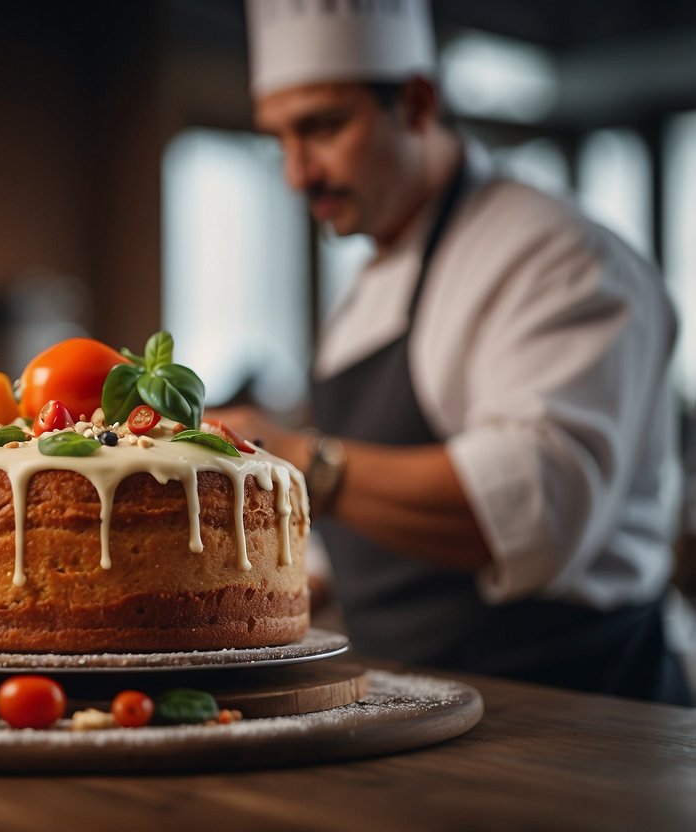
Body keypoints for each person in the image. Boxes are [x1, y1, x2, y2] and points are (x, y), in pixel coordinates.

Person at [215, 0, 691, 704]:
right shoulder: (366, 290)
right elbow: (356, 535)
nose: (295, 173)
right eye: (278, 138)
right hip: (408, 700)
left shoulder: (555, 254)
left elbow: (538, 508)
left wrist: (296, 462)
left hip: (573, 711)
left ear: (415, 102)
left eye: (321, 127)